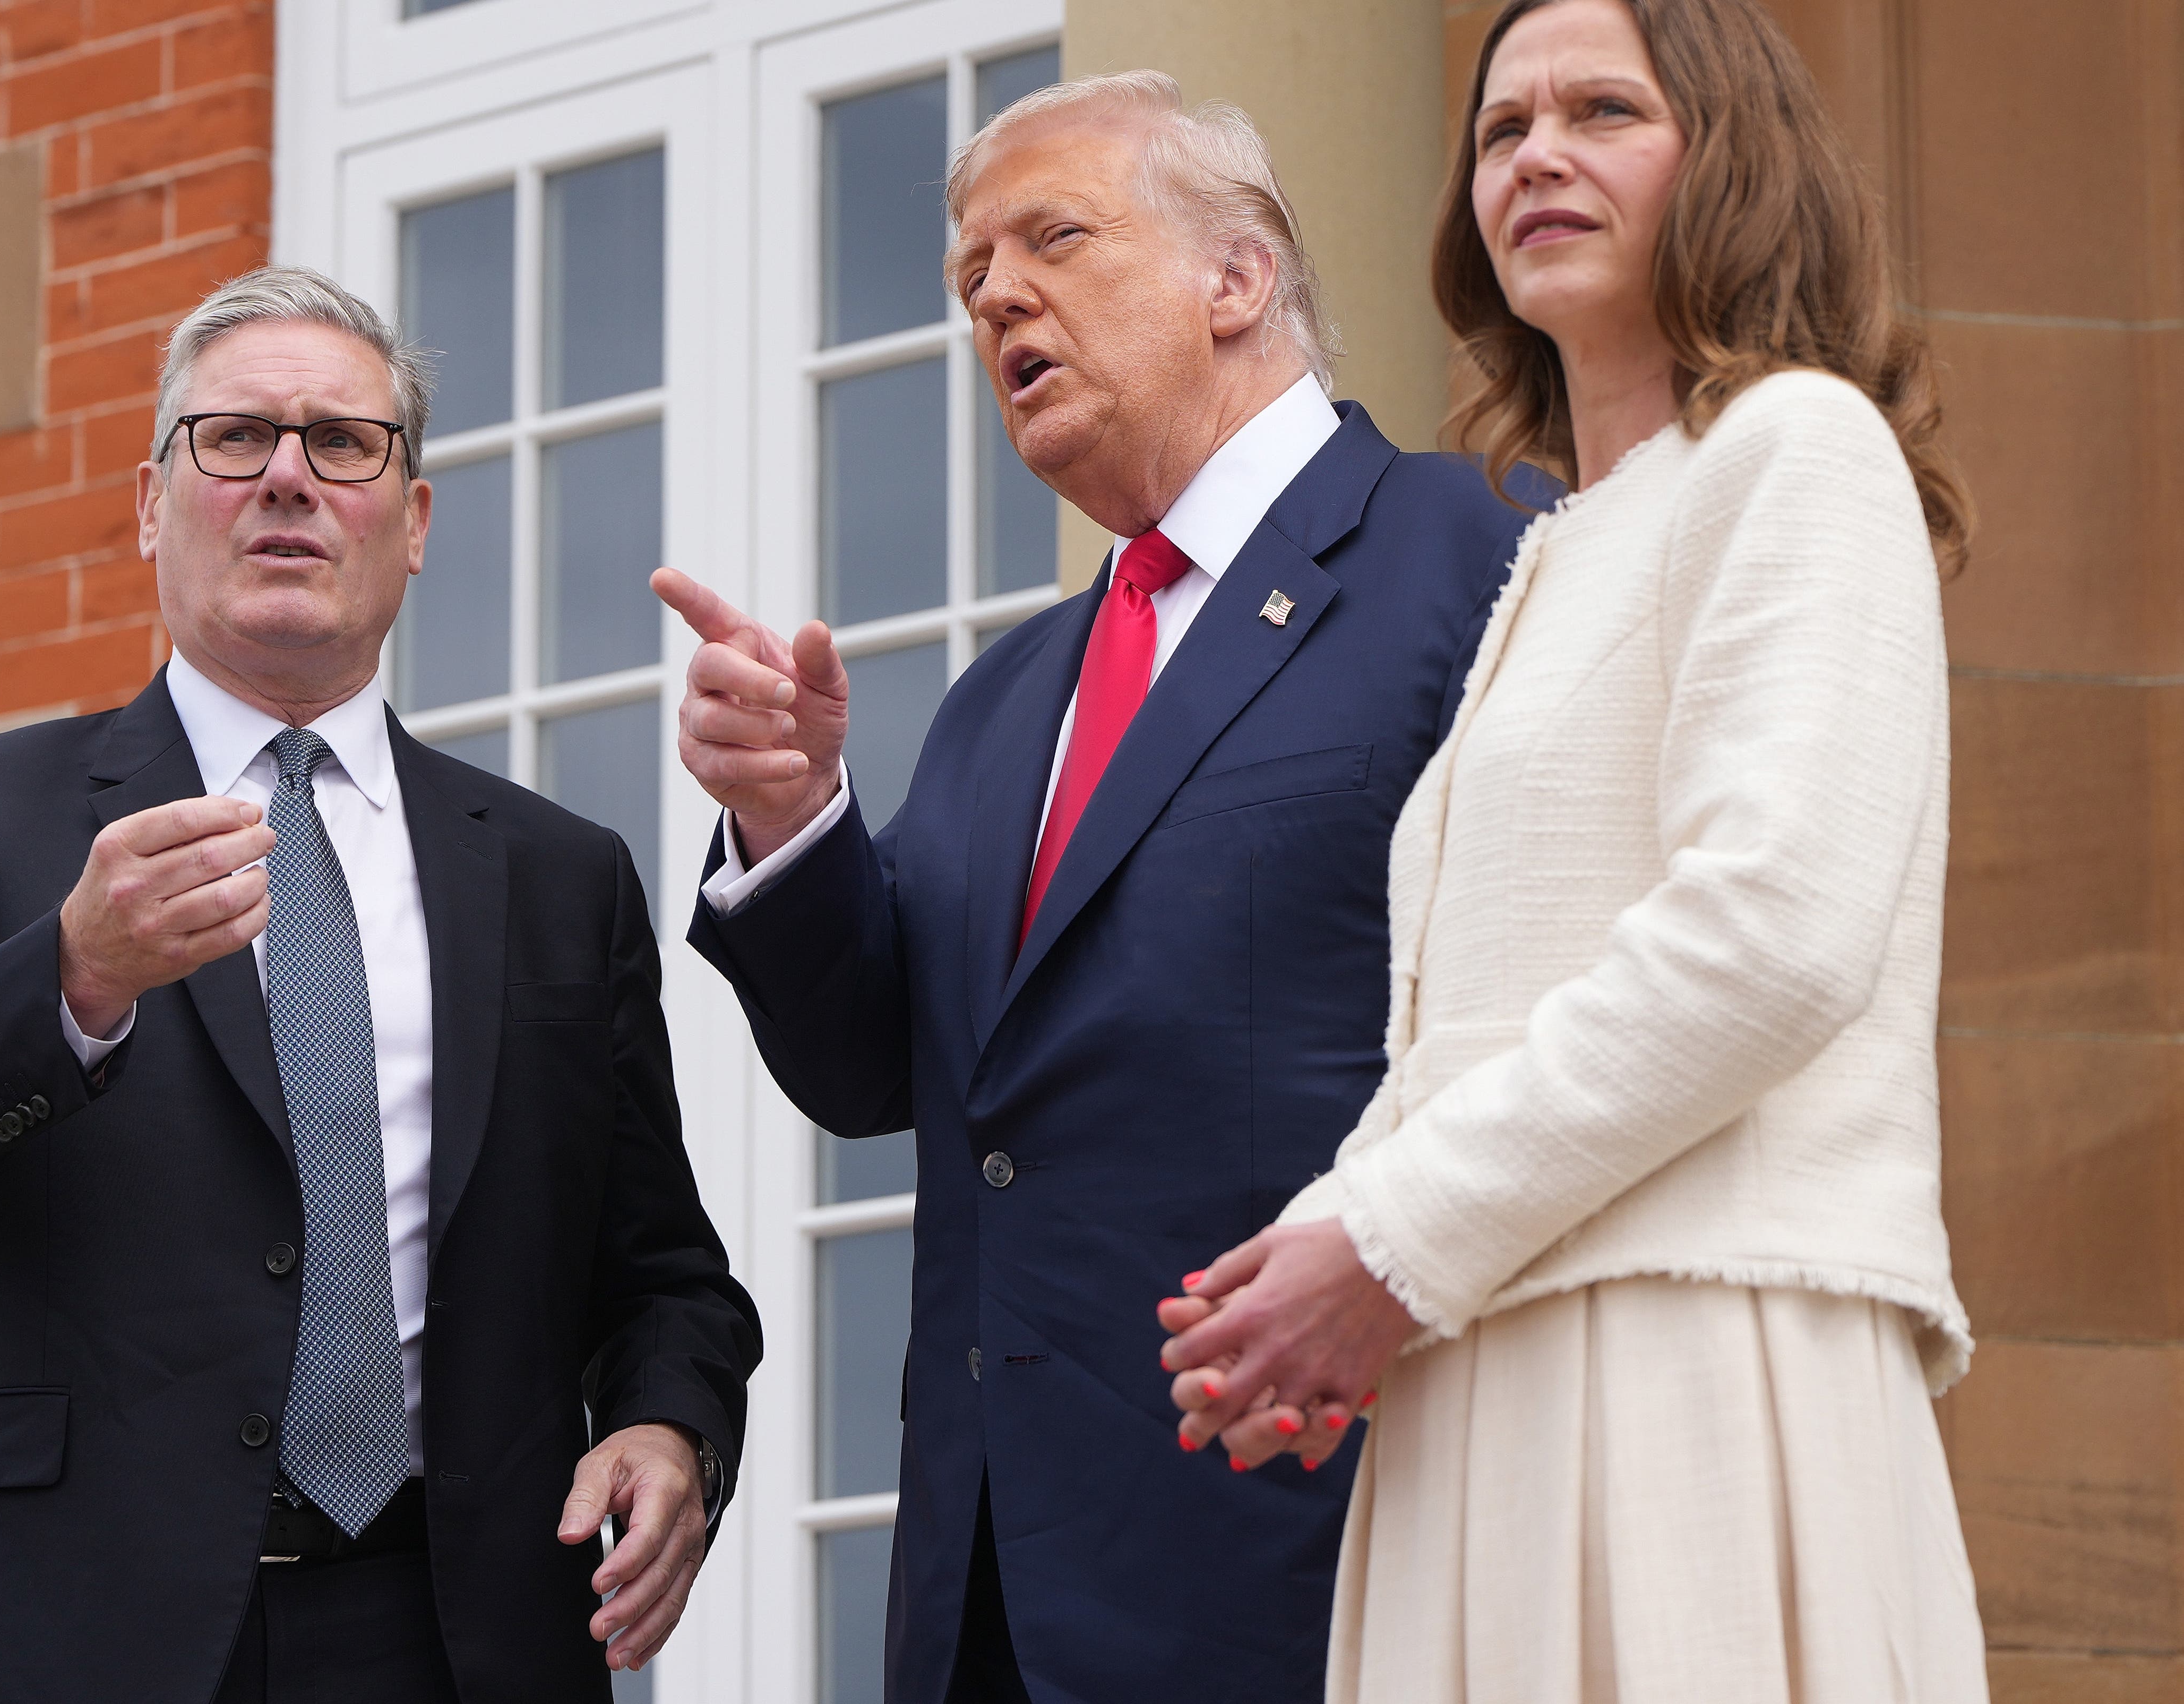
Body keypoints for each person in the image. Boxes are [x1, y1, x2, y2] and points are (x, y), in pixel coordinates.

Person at [654, 73, 1549, 1704]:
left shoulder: (1479, 552)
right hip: (990, 1591)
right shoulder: (1013, 697)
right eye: (968, 276)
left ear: (1238, 277)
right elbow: (889, 1072)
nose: (996, 292)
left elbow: (1566, 1023)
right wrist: (790, 821)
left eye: (1053, 237)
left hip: (1327, 1554)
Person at [0, 268, 761, 1704]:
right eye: (232, 437)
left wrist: (671, 1425)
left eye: (343, 442)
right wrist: (70, 973)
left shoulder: (557, 874)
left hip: (449, 1637)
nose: (288, 475)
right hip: (59, 1626)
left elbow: (663, 1272)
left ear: (413, 522)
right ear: (151, 506)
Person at [1158, 1, 1988, 1698]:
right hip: (1498, 1352)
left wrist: (1382, 1244)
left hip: (1693, 1346)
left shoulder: (1796, 448)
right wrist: (1317, 1252)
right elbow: (1483, 1008)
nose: (1536, 152)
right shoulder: (1560, 548)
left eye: (1602, 110)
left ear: (1732, 159)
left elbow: (1774, 933)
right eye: (1501, 128)